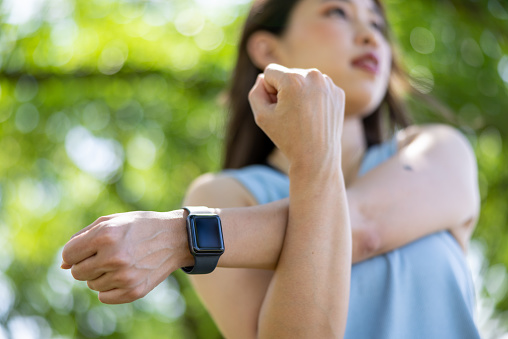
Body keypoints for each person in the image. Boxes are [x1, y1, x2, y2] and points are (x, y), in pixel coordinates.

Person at [61, 0, 481, 338]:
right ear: (267, 49)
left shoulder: (439, 150)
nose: (371, 34)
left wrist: (184, 237)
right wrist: (314, 161)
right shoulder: (221, 196)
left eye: (377, 22)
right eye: (337, 11)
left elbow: (364, 225)